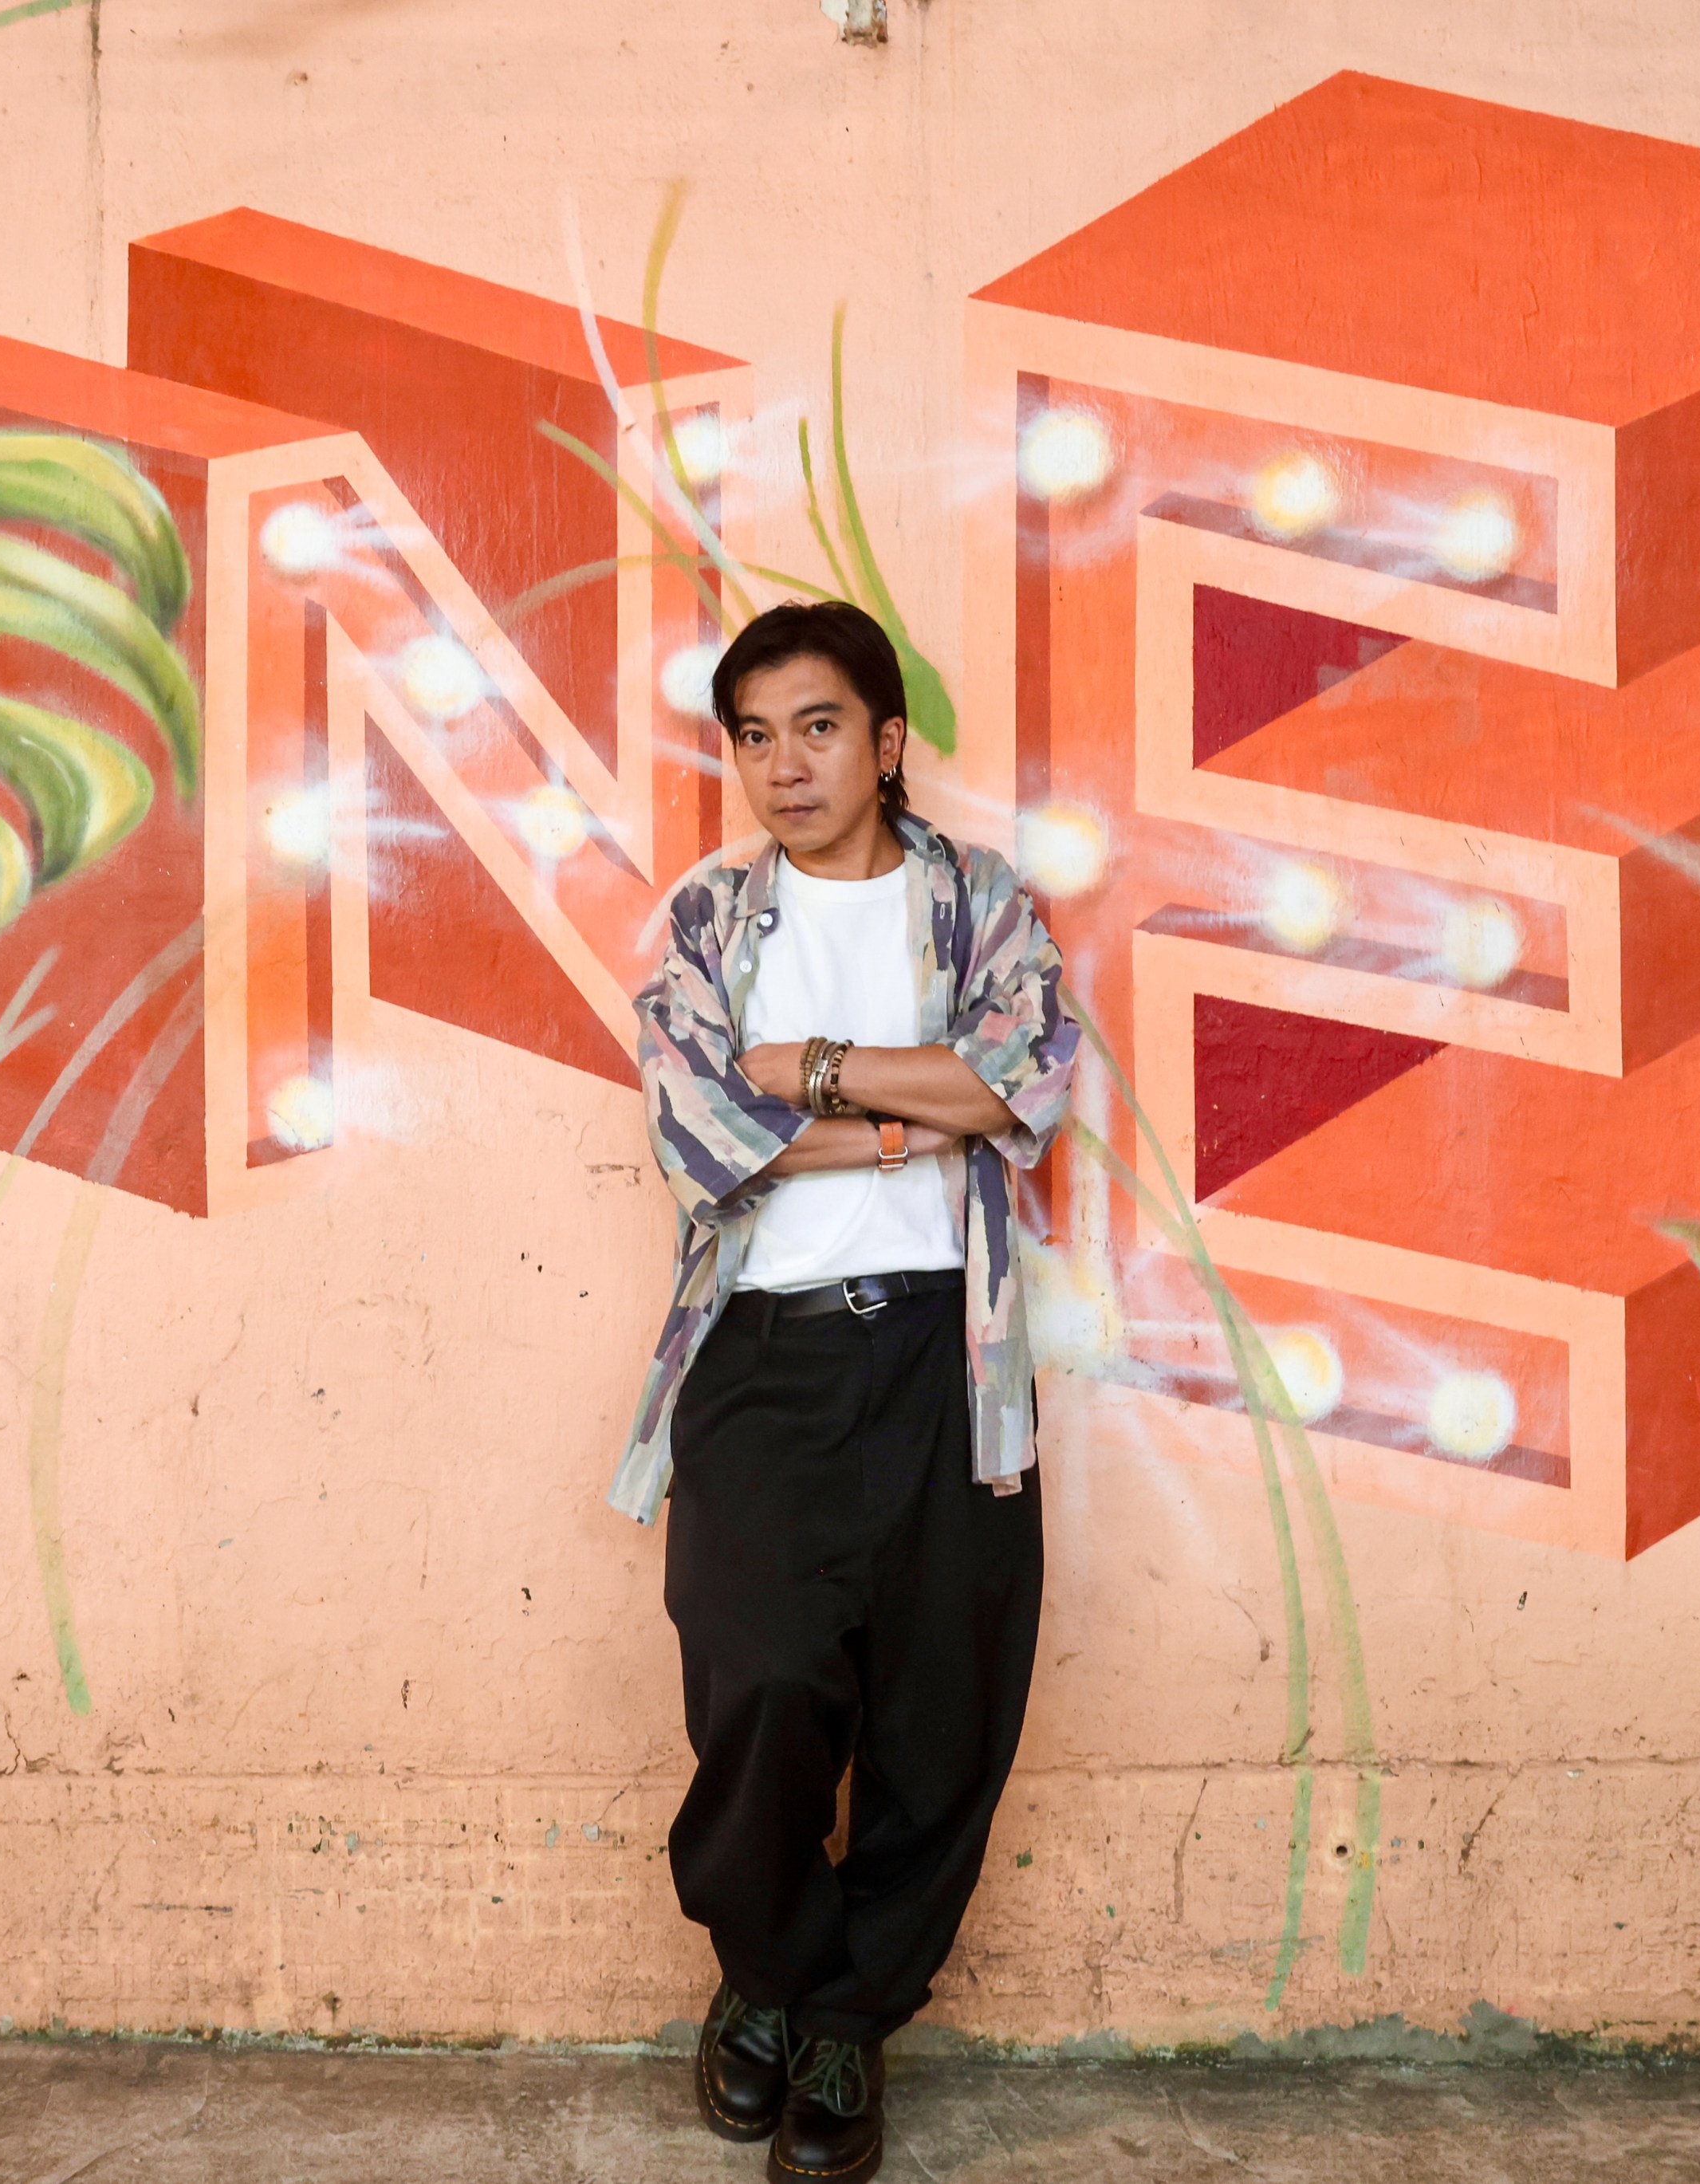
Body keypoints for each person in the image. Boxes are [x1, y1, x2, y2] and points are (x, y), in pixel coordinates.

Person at [612, 600, 1079, 2182]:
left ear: (885, 741)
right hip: (764, 1349)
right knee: (758, 1687)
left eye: (815, 727)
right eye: (753, 736)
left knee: (944, 1706)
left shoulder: (979, 900)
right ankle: (768, 1970)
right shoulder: (709, 917)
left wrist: (806, 1072)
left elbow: (1028, 1077)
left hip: (951, 1356)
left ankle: (843, 2023)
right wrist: (909, 1114)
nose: (783, 766)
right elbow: (694, 1130)